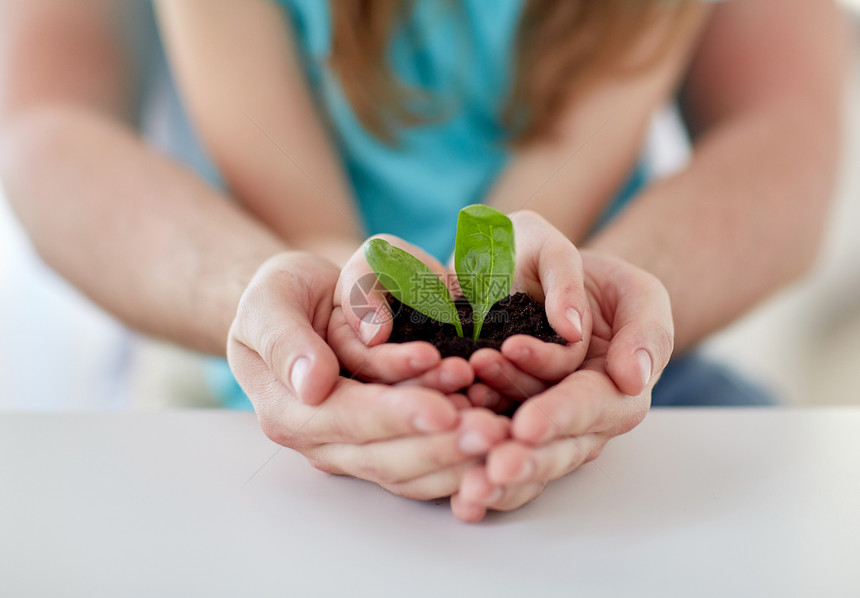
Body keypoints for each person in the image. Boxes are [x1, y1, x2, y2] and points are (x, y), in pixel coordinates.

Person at [0, 0, 846, 522]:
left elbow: (788, 136)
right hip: (250, 367)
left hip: (612, 367)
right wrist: (291, 304)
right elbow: (42, 129)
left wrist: (597, 305)